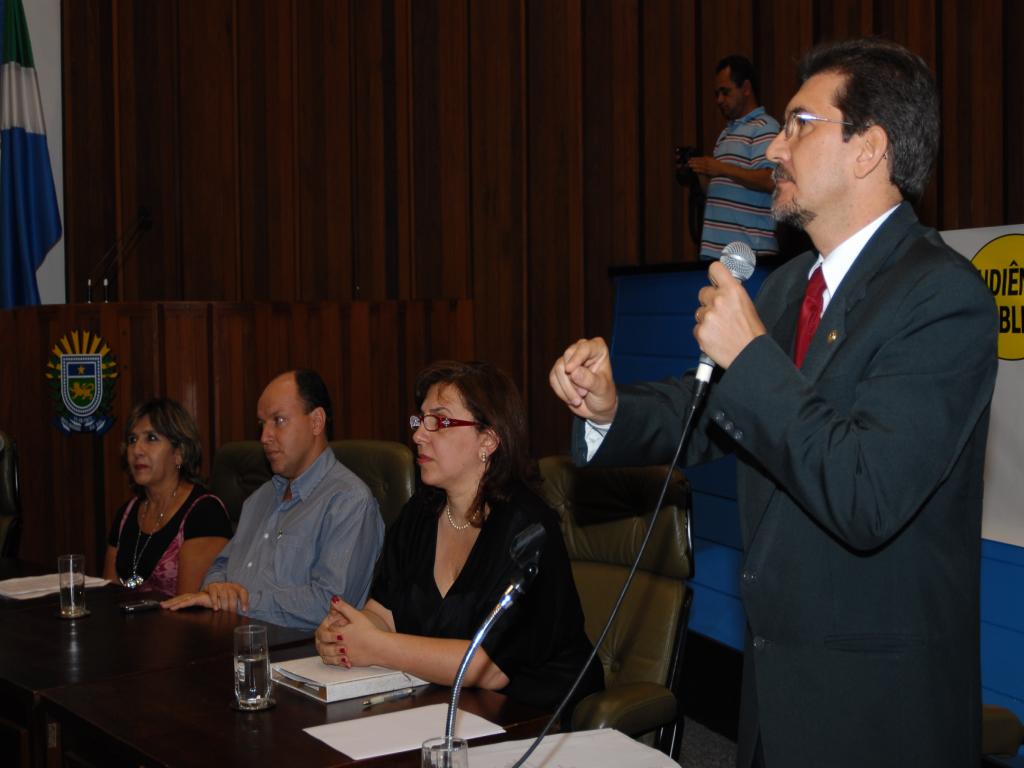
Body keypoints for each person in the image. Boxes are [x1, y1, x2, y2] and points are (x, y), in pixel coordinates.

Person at [550, 38, 997, 768]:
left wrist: (752, 355)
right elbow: (715, 409)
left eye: (798, 125)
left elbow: (866, 490)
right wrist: (607, 409)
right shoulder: (792, 288)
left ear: (868, 148)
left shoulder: (944, 298)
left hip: (877, 718)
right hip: (773, 702)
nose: (774, 150)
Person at [315, 361, 603, 713]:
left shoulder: (528, 529)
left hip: (537, 719)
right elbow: (384, 611)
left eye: (439, 421)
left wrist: (375, 646)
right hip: (446, 706)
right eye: (420, 420)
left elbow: (489, 667)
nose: (420, 434)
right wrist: (345, 633)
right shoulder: (420, 512)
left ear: (488, 439)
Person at [162, 369, 384, 631]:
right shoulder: (259, 499)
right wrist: (217, 588)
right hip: (234, 643)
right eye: (262, 424)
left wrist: (241, 604)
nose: (264, 437)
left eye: (278, 420)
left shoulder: (349, 501)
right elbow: (221, 565)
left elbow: (330, 604)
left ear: (316, 422)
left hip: (302, 658)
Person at [103, 399, 231, 595]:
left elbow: (189, 611)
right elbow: (108, 595)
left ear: (179, 453)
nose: (137, 450)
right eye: (132, 440)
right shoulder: (126, 514)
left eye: (151, 438)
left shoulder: (205, 513)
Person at [686, 54, 779, 261]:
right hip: (716, 254)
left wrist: (721, 168)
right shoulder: (725, 133)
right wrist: (698, 171)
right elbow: (717, 191)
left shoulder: (766, 127)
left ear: (746, 88)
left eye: (725, 92)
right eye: (717, 93)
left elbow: (771, 180)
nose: (719, 100)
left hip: (748, 256)